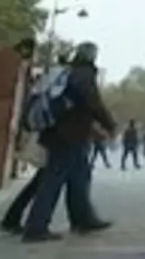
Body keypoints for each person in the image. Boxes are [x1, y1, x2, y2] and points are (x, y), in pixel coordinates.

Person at [21, 42, 115, 243]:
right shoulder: (83, 74)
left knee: (80, 177)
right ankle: (36, 227)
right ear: (92, 56)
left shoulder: (68, 71)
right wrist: (109, 123)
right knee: (53, 180)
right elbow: (92, 101)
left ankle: (83, 219)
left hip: (62, 133)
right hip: (69, 135)